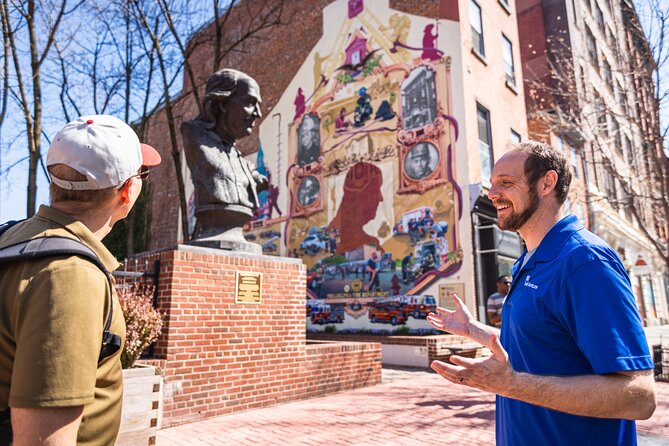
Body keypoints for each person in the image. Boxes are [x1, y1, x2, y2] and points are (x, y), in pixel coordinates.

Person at [427, 141, 656, 446]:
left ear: (547, 183)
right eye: (493, 183)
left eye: (506, 183)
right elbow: (537, 344)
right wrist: (472, 330)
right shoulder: (528, 260)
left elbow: (640, 397)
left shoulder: (584, 261)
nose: (493, 193)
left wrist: (513, 385)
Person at [0, 115, 161, 445]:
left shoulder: (11, 238)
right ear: (128, 190)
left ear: (54, 181)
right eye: (141, 173)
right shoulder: (69, 276)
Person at [181, 69, 268, 244]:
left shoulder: (243, 164)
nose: (258, 113)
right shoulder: (196, 139)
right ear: (222, 104)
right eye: (250, 102)